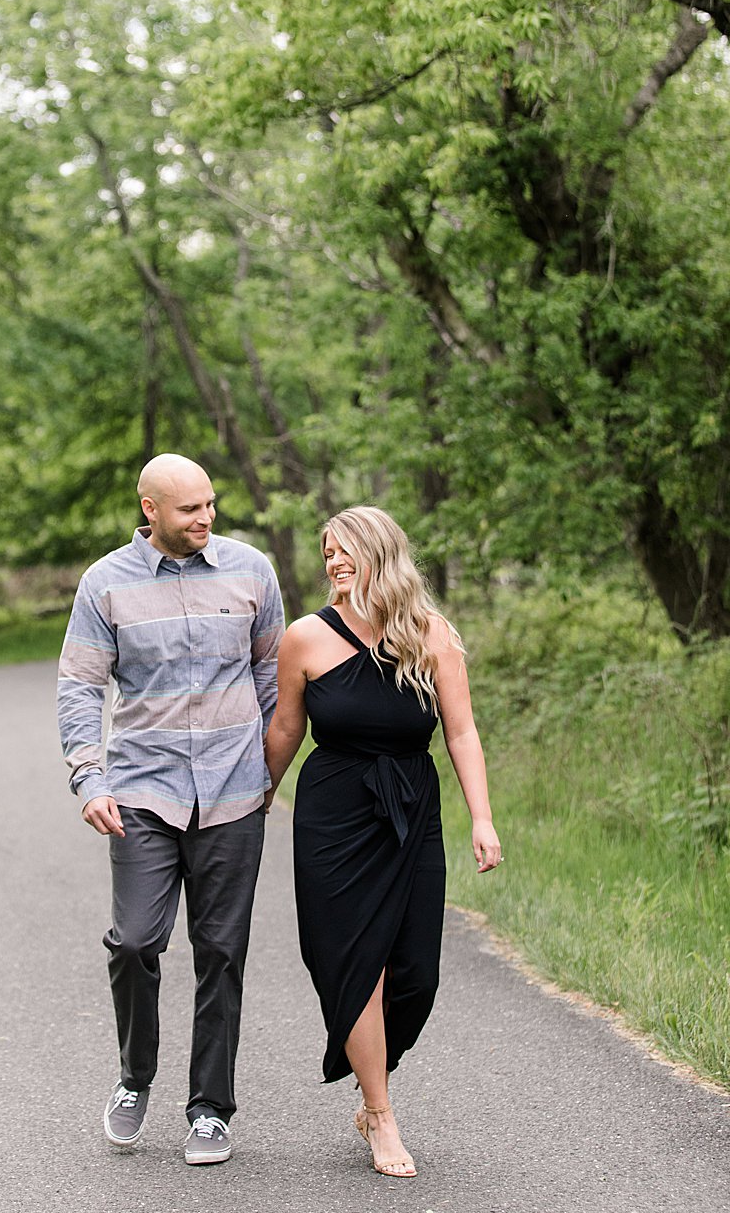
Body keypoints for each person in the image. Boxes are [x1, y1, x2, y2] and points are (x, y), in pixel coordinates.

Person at [55, 453, 285, 1166]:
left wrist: (268, 773)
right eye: (189, 509)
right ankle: (134, 1078)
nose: (205, 518)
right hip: (143, 792)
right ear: (149, 508)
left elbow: (273, 672)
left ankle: (211, 1108)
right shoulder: (105, 584)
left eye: (210, 504)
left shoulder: (252, 570)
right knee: (135, 940)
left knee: (220, 951)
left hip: (232, 794)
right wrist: (89, 779)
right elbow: (80, 685)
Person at [264, 505, 502, 1178]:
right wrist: (255, 799)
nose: (334, 562)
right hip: (333, 814)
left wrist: (481, 818)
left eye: (346, 550)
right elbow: (285, 730)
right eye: (327, 552)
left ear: (382, 553)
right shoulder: (305, 638)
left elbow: (461, 732)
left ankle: (374, 1070)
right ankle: (381, 1111)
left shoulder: (431, 636)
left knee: (416, 972)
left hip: (410, 811)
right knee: (355, 964)